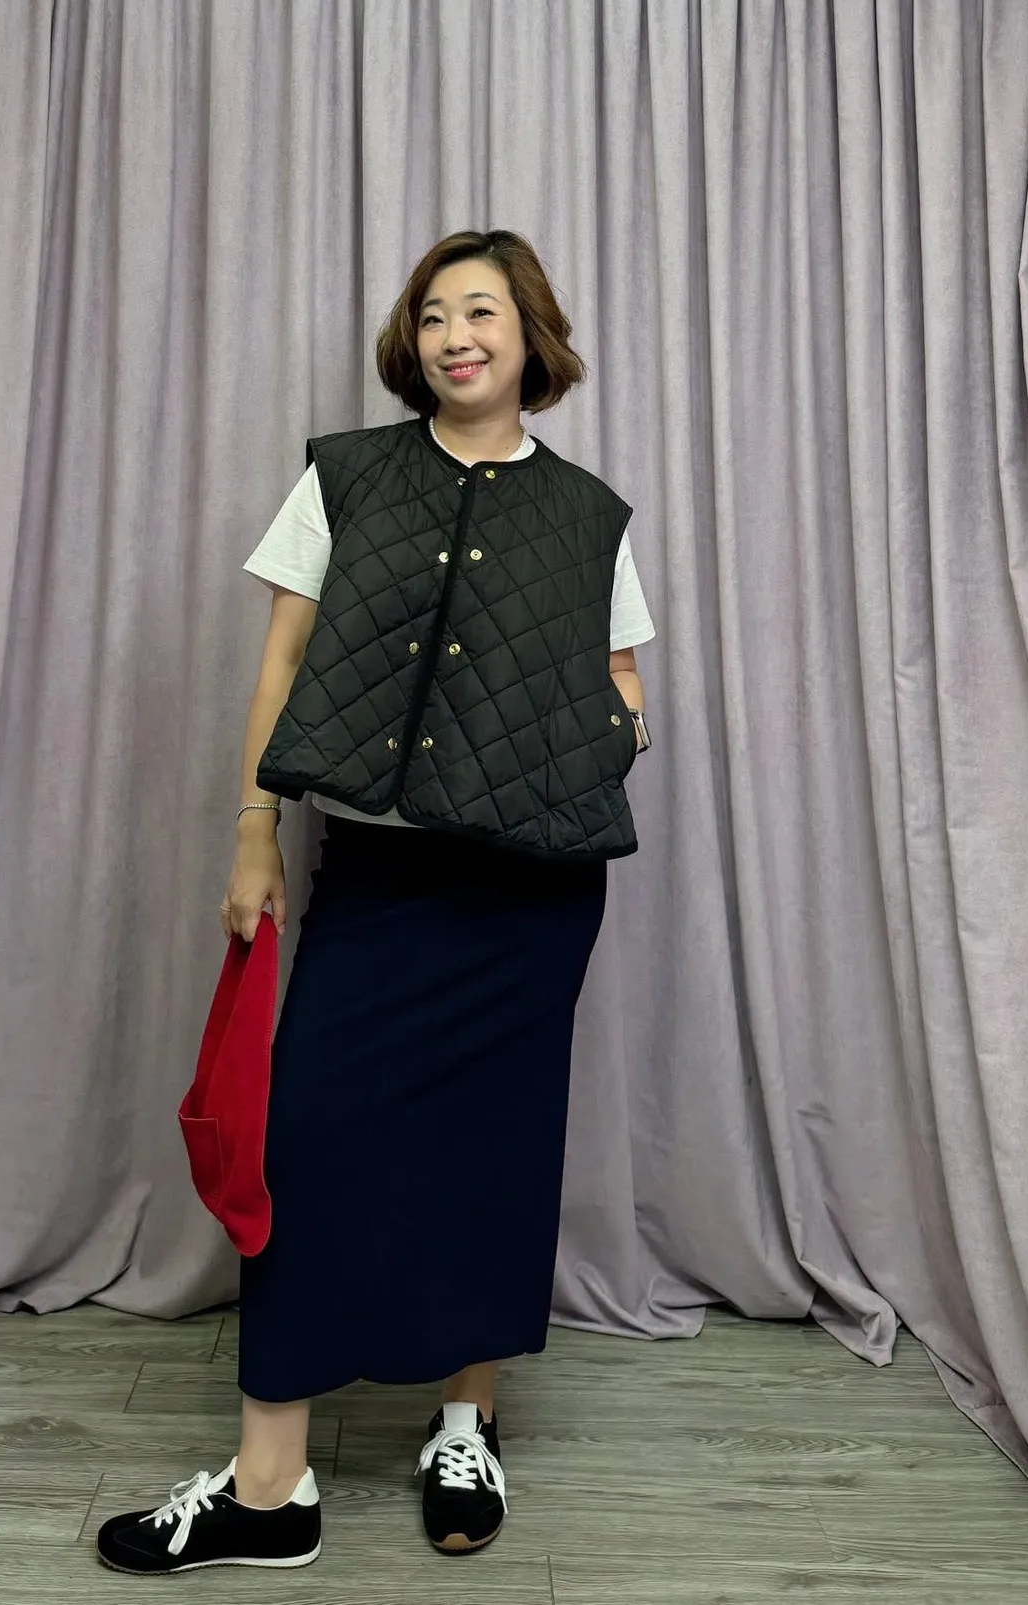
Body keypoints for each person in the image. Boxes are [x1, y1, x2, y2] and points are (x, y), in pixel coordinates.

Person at [96, 229, 656, 1577]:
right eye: (435, 314)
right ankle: (269, 1491)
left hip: (528, 893)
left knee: (496, 1150)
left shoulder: (591, 513)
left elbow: (626, 684)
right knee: (306, 1148)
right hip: (381, 876)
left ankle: (467, 1424)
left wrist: (594, 733)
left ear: (531, 335)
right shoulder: (343, 477)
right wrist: (255, 834)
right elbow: (282, 663)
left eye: (483, 310)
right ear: (415, 343)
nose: (457, 334)